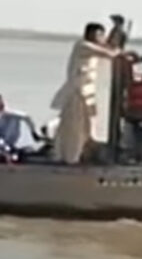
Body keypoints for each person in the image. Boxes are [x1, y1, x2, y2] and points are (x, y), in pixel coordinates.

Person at [50, 23, 124, 164]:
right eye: (99, 35)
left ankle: (81, 155)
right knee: (74, 127)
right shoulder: (83, 46)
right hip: (77, 93)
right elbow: (109, 53)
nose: (101, 38)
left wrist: (116, 30)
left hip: (86, 94)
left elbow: (107, 46)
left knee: (87, 127)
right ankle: (69, 157)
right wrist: (119, 50)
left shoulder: (92, 48)